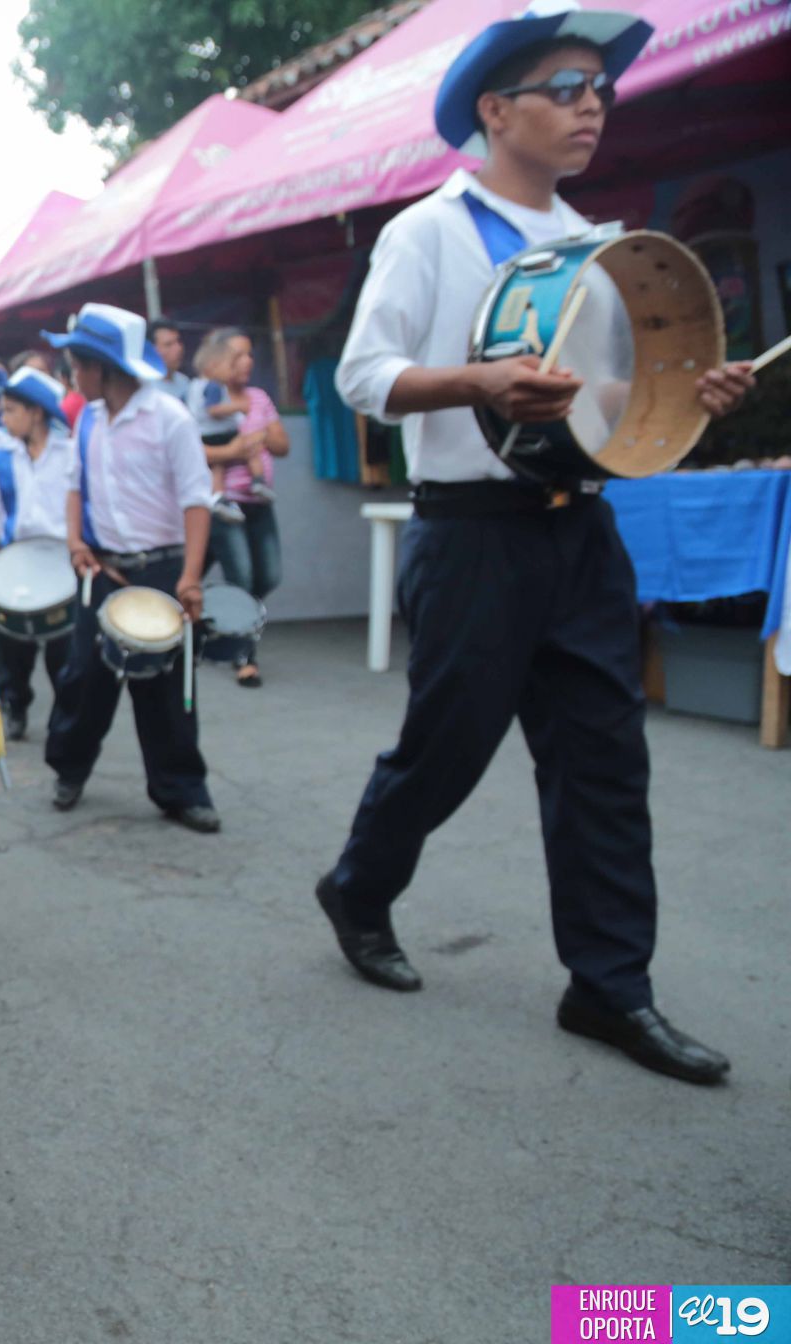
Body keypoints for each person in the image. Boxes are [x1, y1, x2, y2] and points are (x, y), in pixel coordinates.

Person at [315, 1, 754, 1085]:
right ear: (497, 111)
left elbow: (606, 398)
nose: (591, 105)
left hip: (581, 529)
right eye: (565, 88)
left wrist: (687, 392)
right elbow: (362, 376)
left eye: (600, 88)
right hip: (473, 536)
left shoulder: (599, 246)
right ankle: (359, 889)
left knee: (605, 762)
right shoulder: (429, 232)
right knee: (446, 750)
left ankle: (610, 988)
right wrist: (478, 381)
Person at [43, 304, 220, 833]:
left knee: (164, 688)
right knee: (84, 679)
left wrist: (190, 578)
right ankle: (69, 770)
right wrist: (76, 542)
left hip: (162, 570)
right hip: (102, 571)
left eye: (79, 365)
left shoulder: (170, 418)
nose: (73, 375)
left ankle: (181, 791)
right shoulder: (88, 419)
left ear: (103, 368)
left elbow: (196, 501)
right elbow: (74, 487)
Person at [0, 367, 78, 742]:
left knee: (63, 652)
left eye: (12, 410)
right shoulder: (2, 456)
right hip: (18, 559)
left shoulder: (70, 452)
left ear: (36, 413)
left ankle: (65, 718)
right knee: (13, 648)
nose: (4, 417)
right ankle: (17, 703)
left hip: (62, 561)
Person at [189, 328, 288, 687]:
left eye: (248, 355)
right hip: (223, 507)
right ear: (217, 360)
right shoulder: (203, 394)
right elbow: (191, 449)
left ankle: (211, 626)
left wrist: (259, 434)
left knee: (268, 576)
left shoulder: (258, 398)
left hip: (258, 503)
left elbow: (281, 445)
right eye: (237, 356)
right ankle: (243, 653)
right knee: (242, 580)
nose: (246, 362)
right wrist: (232, 451)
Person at [147, 319, 191, 403]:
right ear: (152, 350)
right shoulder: (145, 387)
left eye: (178, 342)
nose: (178, 348)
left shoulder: (184, 382)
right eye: (168, 344)